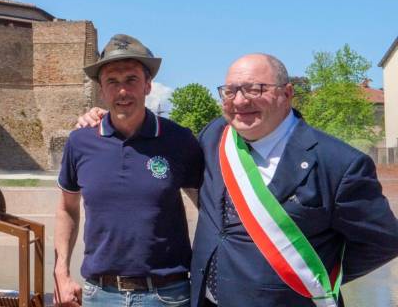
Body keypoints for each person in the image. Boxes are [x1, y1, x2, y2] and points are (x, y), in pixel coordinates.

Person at [78, 53, 398, 306]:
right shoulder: (214, 136)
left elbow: (382, 241)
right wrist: (104, 117)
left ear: (287, 94)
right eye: (230, 91)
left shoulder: (339, 163)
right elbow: (153, 135)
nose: (240, 100)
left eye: (256, 89)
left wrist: (312, 280)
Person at [54, 34, 204, 307]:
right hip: (99, 295)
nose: (122, 91)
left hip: (167, 295)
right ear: (101, 89)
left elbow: (208, 209)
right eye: (112, 81)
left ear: (148, 85)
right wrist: (61, 273)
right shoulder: (81, 141)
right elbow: (67, 209)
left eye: (131, 80)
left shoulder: (179, 140)